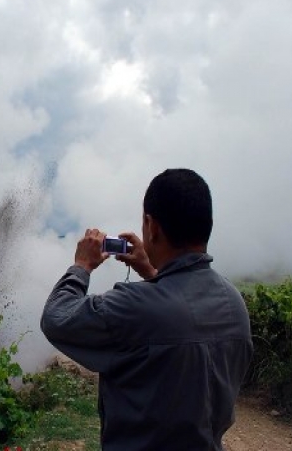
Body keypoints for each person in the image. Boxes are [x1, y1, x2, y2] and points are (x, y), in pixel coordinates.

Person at [41, 168, 252, 451]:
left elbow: (56, 317)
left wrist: (82, 266)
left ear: (152, 227)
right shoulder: (234, 303)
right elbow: (180, 315)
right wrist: (152, 271)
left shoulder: (133, 306)